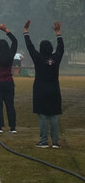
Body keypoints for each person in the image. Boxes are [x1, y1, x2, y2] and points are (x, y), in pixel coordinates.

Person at [24, 20, 64, 148]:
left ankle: (44, 141)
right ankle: (56, 141)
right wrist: (58, 33)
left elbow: (30, 47)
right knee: (54, 115)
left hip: (40, 89)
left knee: (42, 115)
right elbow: (61, 48)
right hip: (54, 89)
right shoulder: (55, 58)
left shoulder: (38, 58)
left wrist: (26, 31)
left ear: (41, 48)